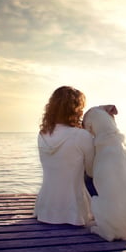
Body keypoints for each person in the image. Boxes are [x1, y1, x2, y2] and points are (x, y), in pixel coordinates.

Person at [34, 86, 95, 226]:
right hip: (75, 213)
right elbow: (91, 171)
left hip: (45, 210)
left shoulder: (42, 134)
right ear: (75, 109)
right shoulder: (82, 135)